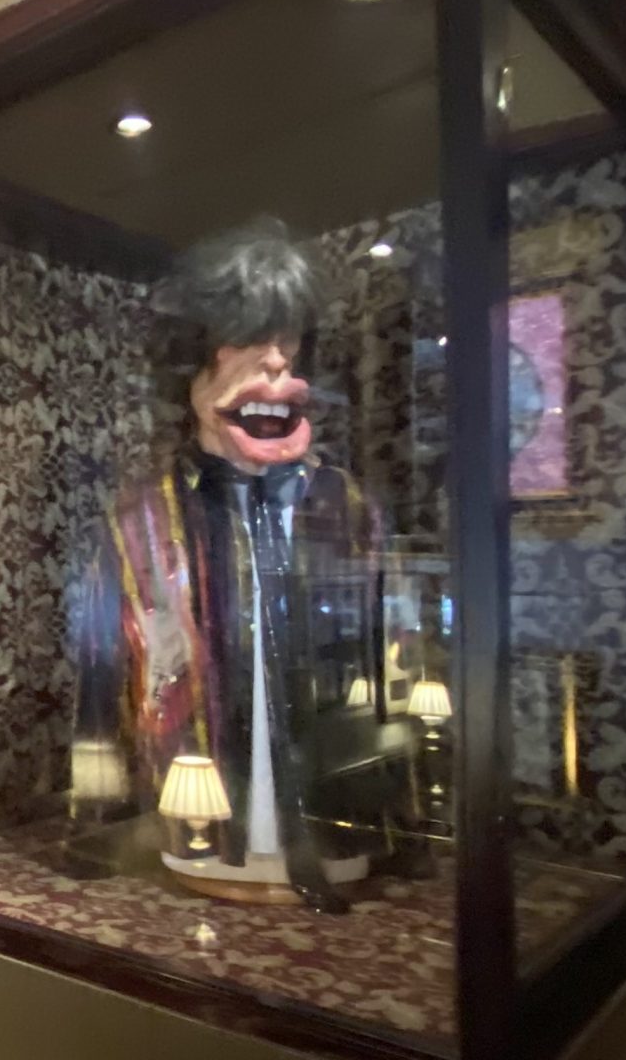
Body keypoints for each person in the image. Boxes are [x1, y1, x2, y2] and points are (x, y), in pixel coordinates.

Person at [77, 217, 416, 913]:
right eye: (247, 337)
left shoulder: (346, 507)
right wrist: (94, 822)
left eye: (288, 340)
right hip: (191, 822)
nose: (275, 362)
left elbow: (397, 654)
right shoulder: (142, 518)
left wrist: (403, 812)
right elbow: (101, 672)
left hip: (337, 819)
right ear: (191, 365)